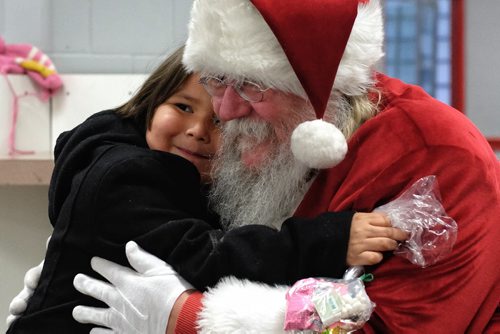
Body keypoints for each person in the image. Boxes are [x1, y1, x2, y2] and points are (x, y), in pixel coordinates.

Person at [67, 0, 500, 333]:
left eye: (253, 85)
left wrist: (192, 318)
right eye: (216, 79)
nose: (226, 110)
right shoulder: (264, 133)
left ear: (320, 89)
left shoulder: (434, 156)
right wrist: (73, 259)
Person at [6, 44, 408, 332]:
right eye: (182, 107)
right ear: (149, 103)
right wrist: (329, 240)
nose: (198, 131)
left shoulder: (161, 171)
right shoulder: (123, 175)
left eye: (220, 124)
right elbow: (209, 257)